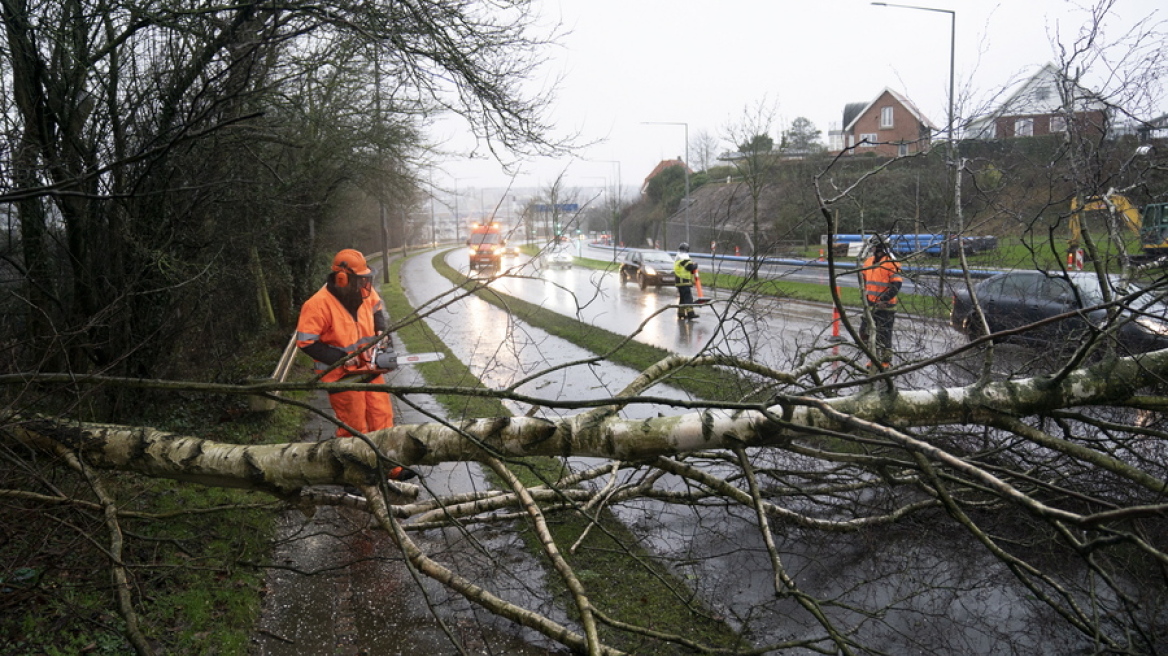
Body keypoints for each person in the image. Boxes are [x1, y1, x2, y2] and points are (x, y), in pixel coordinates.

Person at [296, 248, 416, 481]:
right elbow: (306, 342)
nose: (365, 283)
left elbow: (377, 308)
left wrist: (382, 332)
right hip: (342, 376)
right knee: (353, 426)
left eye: (365, 278)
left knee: (382, 418)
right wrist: (338, 357)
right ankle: (355, 475)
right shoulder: (318, 304)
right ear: (342, 278)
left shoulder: (364, 294)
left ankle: (390, 468)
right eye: (360, 278)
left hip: (370, 369)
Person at [858, 236, 903, 367]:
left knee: (884, 334)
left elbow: (896, 285)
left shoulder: (891, 263)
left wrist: (884, 299)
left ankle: (885, 361)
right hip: (870, 305)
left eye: (873, 247)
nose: (871, 249)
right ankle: (873, 357)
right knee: (866, 332)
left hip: (886, 306)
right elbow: (864, 280)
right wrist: (865, 297)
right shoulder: (868, 262)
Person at [673, 242, 699, 320]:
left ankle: (681, 313)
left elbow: (685, 268)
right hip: (684, 281)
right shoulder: (684, 257)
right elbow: (689, 267)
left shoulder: (678, 257)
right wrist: (695, 265)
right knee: (688, 298)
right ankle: (690, 313)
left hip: (679, 282)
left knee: (683, 299)